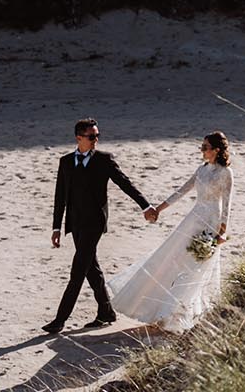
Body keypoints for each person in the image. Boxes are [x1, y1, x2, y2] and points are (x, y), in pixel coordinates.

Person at [105, 131, 235, 332]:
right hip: (194, 219)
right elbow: (182, 191)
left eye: (205, 147)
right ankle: (162, 310)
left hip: (211, 222)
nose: (202, 150)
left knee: (196, 267)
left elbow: (227, 204)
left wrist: (222, 232)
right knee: (172, 258)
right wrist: (158, 208)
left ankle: (179, 314)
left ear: (217, 150)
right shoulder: (202, 170)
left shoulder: (225, 173)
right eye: (202, 146)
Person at [43, 118, 153, 334]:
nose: (96, 140)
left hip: (95, 223)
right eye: (92, 136)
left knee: (78, 270)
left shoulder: (104, 160)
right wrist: (56, 227)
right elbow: (60, 197)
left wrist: (145, 206)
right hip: (75, 224)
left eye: (97, 136)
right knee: (91, 269)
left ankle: (59, 319)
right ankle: (106, 312)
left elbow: (125, 183)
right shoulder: (65, 162)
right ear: (79, 138)